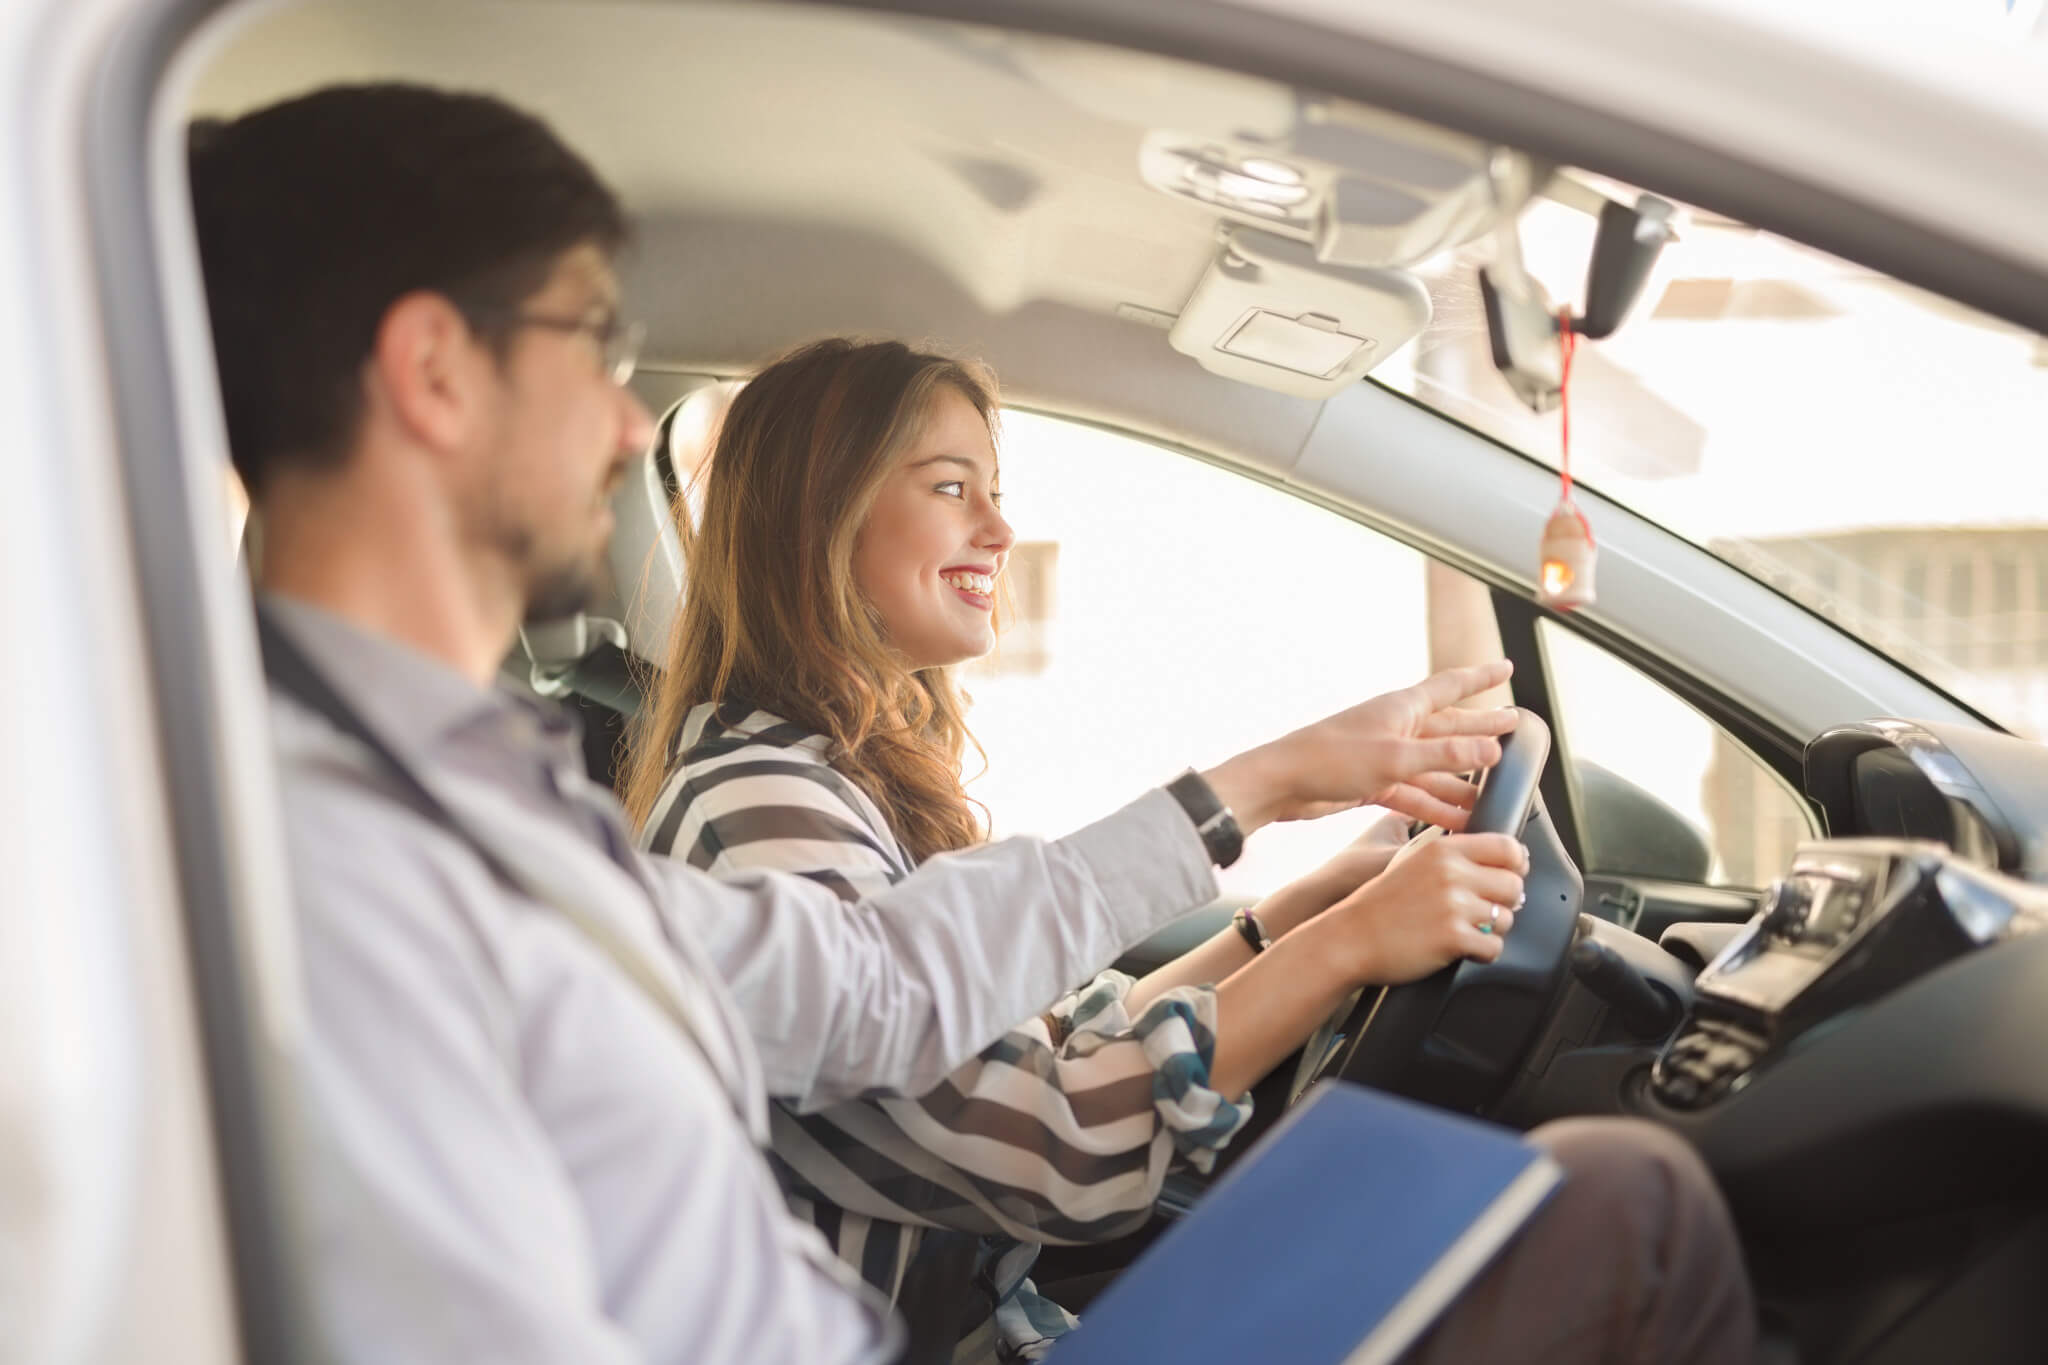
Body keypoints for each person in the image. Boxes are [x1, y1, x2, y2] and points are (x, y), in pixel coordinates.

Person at [188, 81, 1755, 1365]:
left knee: (1585, 1195)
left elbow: (884, 989)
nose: (620, 419)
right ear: (433, 372)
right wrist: (1297, 875)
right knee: (1630, 1207)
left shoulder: (481, 801)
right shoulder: (358, 858)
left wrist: (1282, 889)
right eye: (589, 344)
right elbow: (1033, 1133)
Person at [624, 337, 1539, 1361]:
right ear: (817, 517)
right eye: (948, 486)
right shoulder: (753, 814)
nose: (999, 528)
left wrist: (1305, 907)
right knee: (1585, 1205)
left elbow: (1037, 1054)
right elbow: (1051, 1143)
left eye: (992, 488)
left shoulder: (824, 776)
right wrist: (1349, 942)